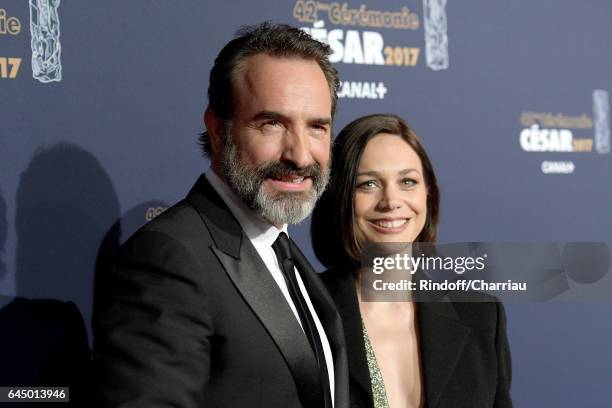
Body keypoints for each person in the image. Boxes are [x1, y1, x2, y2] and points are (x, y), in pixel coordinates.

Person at [93, 23, 349, 408]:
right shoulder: (170, 259)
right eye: (272, 124)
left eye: (316, 127)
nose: (299, 155)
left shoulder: (285, 254)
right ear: (217, 130)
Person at [311, 114, 512, 408]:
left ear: (427, 195)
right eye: (368, 184)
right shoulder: (304, 311)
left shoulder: (481, 315)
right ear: (339, 198)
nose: (391, 201)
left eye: (407, 181)